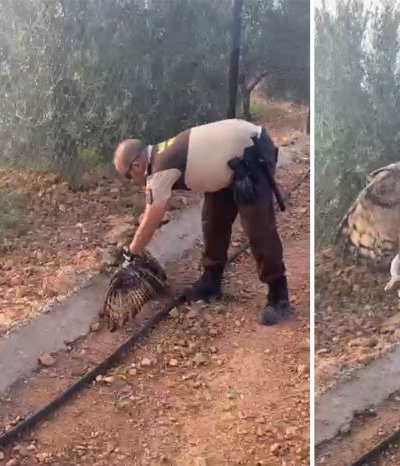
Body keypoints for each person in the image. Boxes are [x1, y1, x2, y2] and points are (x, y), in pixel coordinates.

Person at [113, 118, 290, 325]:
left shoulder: (159, 170)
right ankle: (211, 281)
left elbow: (152, 217)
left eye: (127, 176)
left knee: (258, 227)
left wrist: (131, 254)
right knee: (213, 220)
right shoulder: (160, 154)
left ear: (136, 166)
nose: (131, 182)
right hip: (229, 162)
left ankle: (279, 294)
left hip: (252, 153)